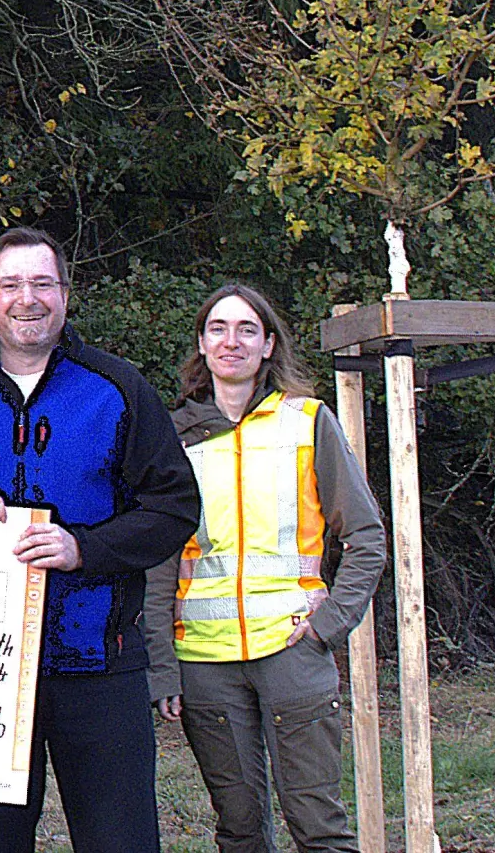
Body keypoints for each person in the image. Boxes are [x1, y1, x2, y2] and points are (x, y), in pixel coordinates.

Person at [0, 227, 200, 853]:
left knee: (120, 839)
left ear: (64, 292)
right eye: (11, 286)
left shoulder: (116, 388)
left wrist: (85, 549)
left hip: (99, 659)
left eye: (41, 284)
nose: (27, 300)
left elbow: (174, 506)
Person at [142, 284, 387, 853]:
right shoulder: (172, 438)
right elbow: (156, 566)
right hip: (204, 663)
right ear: (201, 345)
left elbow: (367, 538)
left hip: (294, 653)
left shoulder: (308, 423)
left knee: (319, 827)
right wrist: (162, 666)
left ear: (269, 345)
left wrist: (329, 627)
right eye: (219, 329)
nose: (233, 341)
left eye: (247, 329)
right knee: (240, 829)